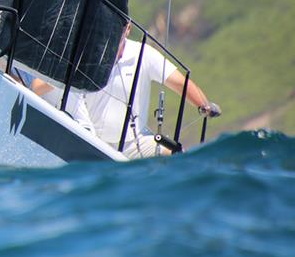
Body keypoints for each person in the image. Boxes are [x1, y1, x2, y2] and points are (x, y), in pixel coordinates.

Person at [84, 23, 221, 159]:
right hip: (90, 137)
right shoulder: (87, 50)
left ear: (128, 29)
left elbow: (180, 83)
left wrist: (204, 105)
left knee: (177, 156)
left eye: (118, 28)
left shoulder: (143, 53)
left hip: (134, 142)